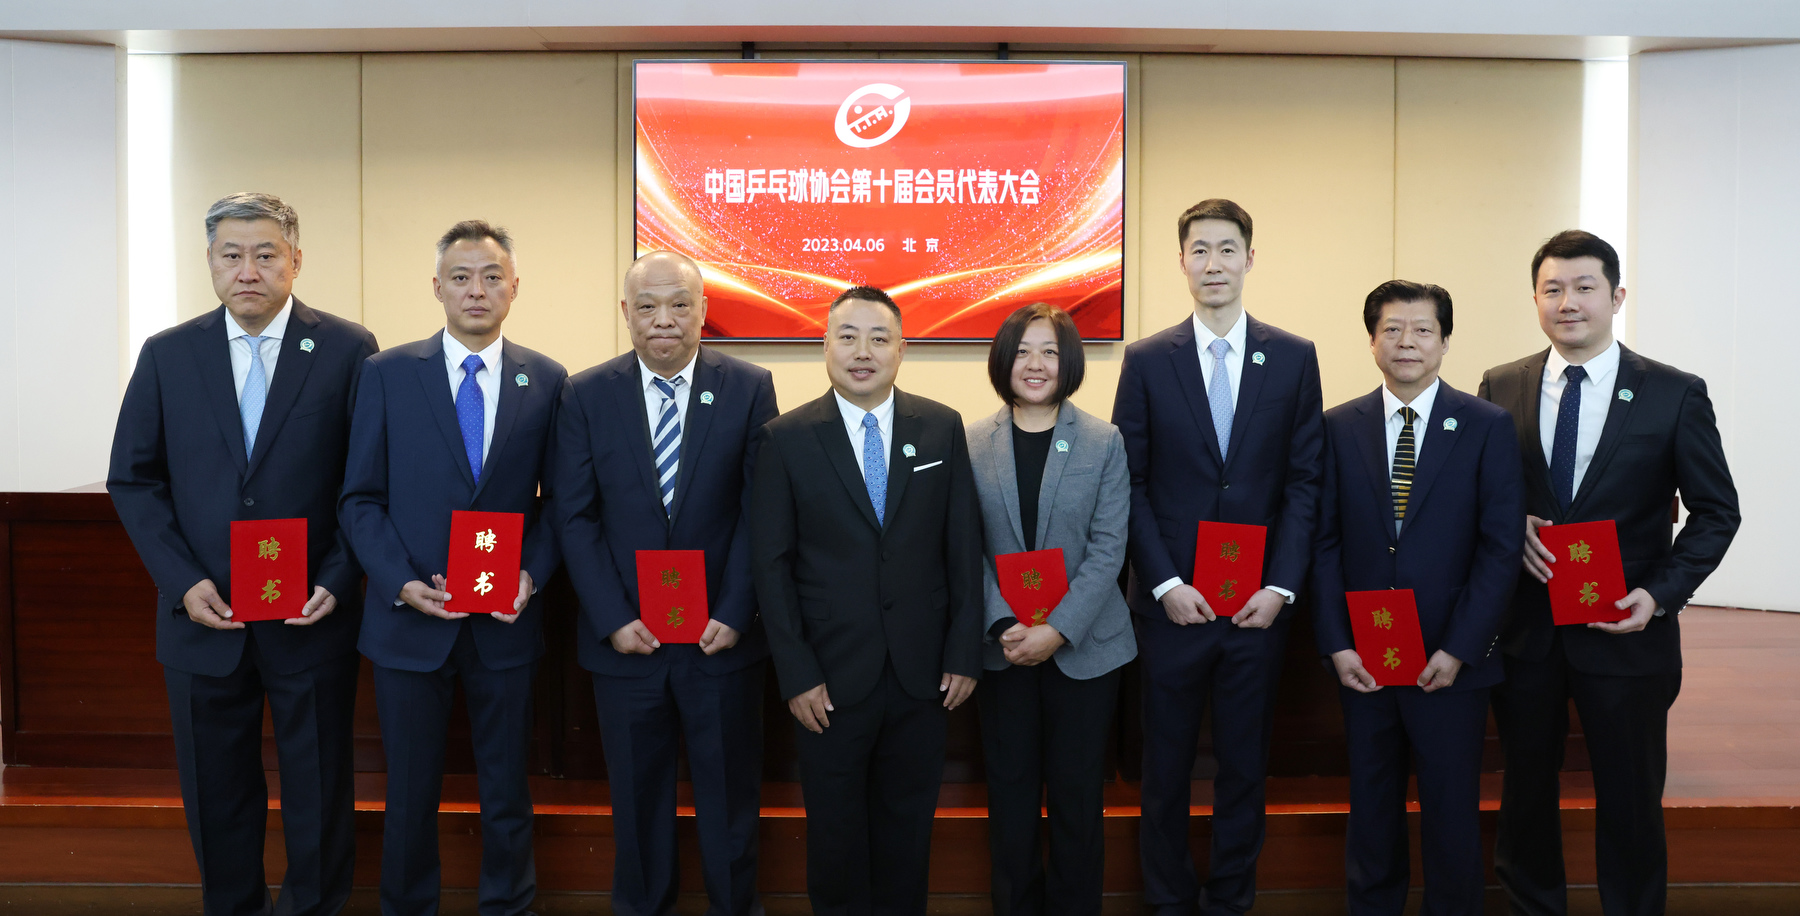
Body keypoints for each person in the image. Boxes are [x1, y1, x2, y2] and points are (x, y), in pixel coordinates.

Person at [108, 192, 376, 916]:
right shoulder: (168, 354)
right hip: (205, 614)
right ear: (210, 262)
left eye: (265, 254)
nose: (248, 270)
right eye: (232, 255)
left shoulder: (349, 349)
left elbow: (367, 479)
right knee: (216, 788)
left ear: (296, 260)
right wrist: (181, 581)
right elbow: (133, 478)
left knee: (318, 786)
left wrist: (338, 577)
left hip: (311, 612)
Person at [1479, 230, 1740, 916]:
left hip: (1627, 627)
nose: (1568, 302)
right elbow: (1479, 494)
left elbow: (1717, 512)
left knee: (1630, 795)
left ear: (1617, 297)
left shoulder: (1673, 392)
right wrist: (1509, 525)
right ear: (1536, 299)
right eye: (1552, 289)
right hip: (1528, 630)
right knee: (1526, 792)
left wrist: (1660, 594)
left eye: (1584, 287)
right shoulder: (1501, 386)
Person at [339, 220, 566, 916]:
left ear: (515, 288)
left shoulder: (547, 379)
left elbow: (561, 504)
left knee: (507, 788)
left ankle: (510, 906)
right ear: (436, 287)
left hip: (504, 623)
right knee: (410, 791)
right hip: (409, 623)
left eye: (492, 277)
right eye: (461, 277)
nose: (476, 290)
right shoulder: (386, 374)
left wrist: (531, 575)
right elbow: (359, 498)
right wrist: (398, 581)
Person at [1111, 198, 1324, 916]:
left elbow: (1304, 481)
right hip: (1172, 606)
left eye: (1227, 249)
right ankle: (1168, 900)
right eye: (1199, 250)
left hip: (1257, 608)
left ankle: (1231, 899)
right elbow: (1129, 481)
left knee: (1244, 766)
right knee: (1164, 769)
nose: (1213, 263)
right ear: (1181, 262)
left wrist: (1281, 586)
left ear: (1250, 259)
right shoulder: (1147, 360)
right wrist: (1164, 582)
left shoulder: (1293, 356)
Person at [554, 251, 778, 916]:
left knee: (730, 802)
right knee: (637, 803)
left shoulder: (749, 387)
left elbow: (760, 511)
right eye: (647, 306)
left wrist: (735, 611)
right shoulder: (585, 394)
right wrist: (612, 617)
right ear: (625, 313)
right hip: (629, 642)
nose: (664, 319)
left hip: (720, 640)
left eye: (680, 304)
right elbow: (574, 516)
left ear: (703, 311)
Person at [750, 285, 983, 916]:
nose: (863, 352)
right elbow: (772, 567)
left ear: (901, 349)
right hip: (827, 679)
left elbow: (962, 548)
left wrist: (963, 652)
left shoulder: (941, 427)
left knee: (909, 832)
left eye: (879, 339)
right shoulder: (785, 438)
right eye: (847, 337)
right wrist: (797, 673)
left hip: (923, 673)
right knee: (835, 836)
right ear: (824, 346)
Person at [1312, 280, 1523, 915]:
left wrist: (1460, 649)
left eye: (1423, 330)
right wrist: (1337, 644)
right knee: (1372, 805)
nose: (1407, 342)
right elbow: (1323, 543)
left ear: (1445, 342)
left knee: (1451, 810)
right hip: (1365, 657)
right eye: (1393, 329)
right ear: (1372, 340)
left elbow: (1500, 548)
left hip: (1449, 657)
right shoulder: (1336, 427)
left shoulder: (1487, 425)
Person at [967, 303, 1134, 916]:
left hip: (1086, 651)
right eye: (1022, 350)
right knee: (1010, 797)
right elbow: (964, 547)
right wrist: (1005, 623)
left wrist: (1058, 629)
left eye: (1050, 352)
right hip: (1004, 648)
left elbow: (1109, 547)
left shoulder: (1103, 440)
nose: (1035, 364)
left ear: (1070, 363)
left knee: (1077, 799)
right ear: (1002, 359)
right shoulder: (970, 441)